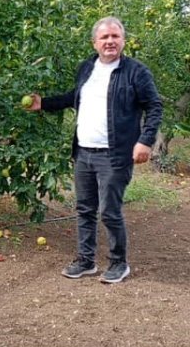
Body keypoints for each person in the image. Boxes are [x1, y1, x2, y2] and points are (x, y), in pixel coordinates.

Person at [25, 16, 162, 284]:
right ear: (95, 42)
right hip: (84, 152)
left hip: (115, 154)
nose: (110, 41)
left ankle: (118, 263)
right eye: (104, 37)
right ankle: (86, 261)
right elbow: (74, 97)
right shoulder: (86, 67)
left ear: (123, 40)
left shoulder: (136, 71)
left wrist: (145, 140)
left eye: (115, 36)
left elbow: (154, 106)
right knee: (85, 209)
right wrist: (45, 104)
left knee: (109, 210)